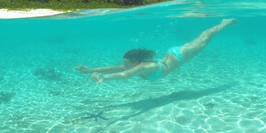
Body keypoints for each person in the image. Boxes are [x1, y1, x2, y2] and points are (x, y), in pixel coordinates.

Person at [75, 18, 237, 84]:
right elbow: (112, 68)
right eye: (125, 63)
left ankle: (223, 24)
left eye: (126, 63)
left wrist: (104, 78)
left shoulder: (145, 67)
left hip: (180, 55)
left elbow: (125, 75)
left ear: (136, 62)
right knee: (202, 40)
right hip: (171, 54)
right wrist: (90, 70)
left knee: (204, 38)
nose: (124, 66)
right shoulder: (134, 65)